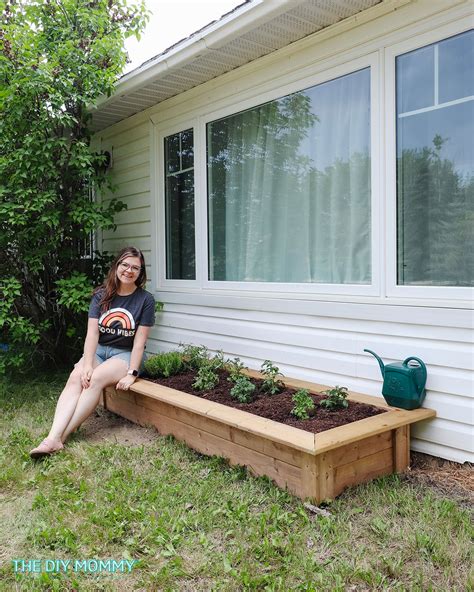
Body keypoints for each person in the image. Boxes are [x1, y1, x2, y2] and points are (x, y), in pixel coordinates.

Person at [30, 246, 155, 458]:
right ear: (116, 266)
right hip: (99, 350)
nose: (129, 270)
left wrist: (132, 373)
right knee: (77, 377)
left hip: (125, 354)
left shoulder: (145, 299)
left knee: (95, 379)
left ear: (140, 272)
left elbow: (139, 342)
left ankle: (57, 439)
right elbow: (92, 334)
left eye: (135, 267)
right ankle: (53, 436)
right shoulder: (101, 294)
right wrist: (87, 364)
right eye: (125, 265)